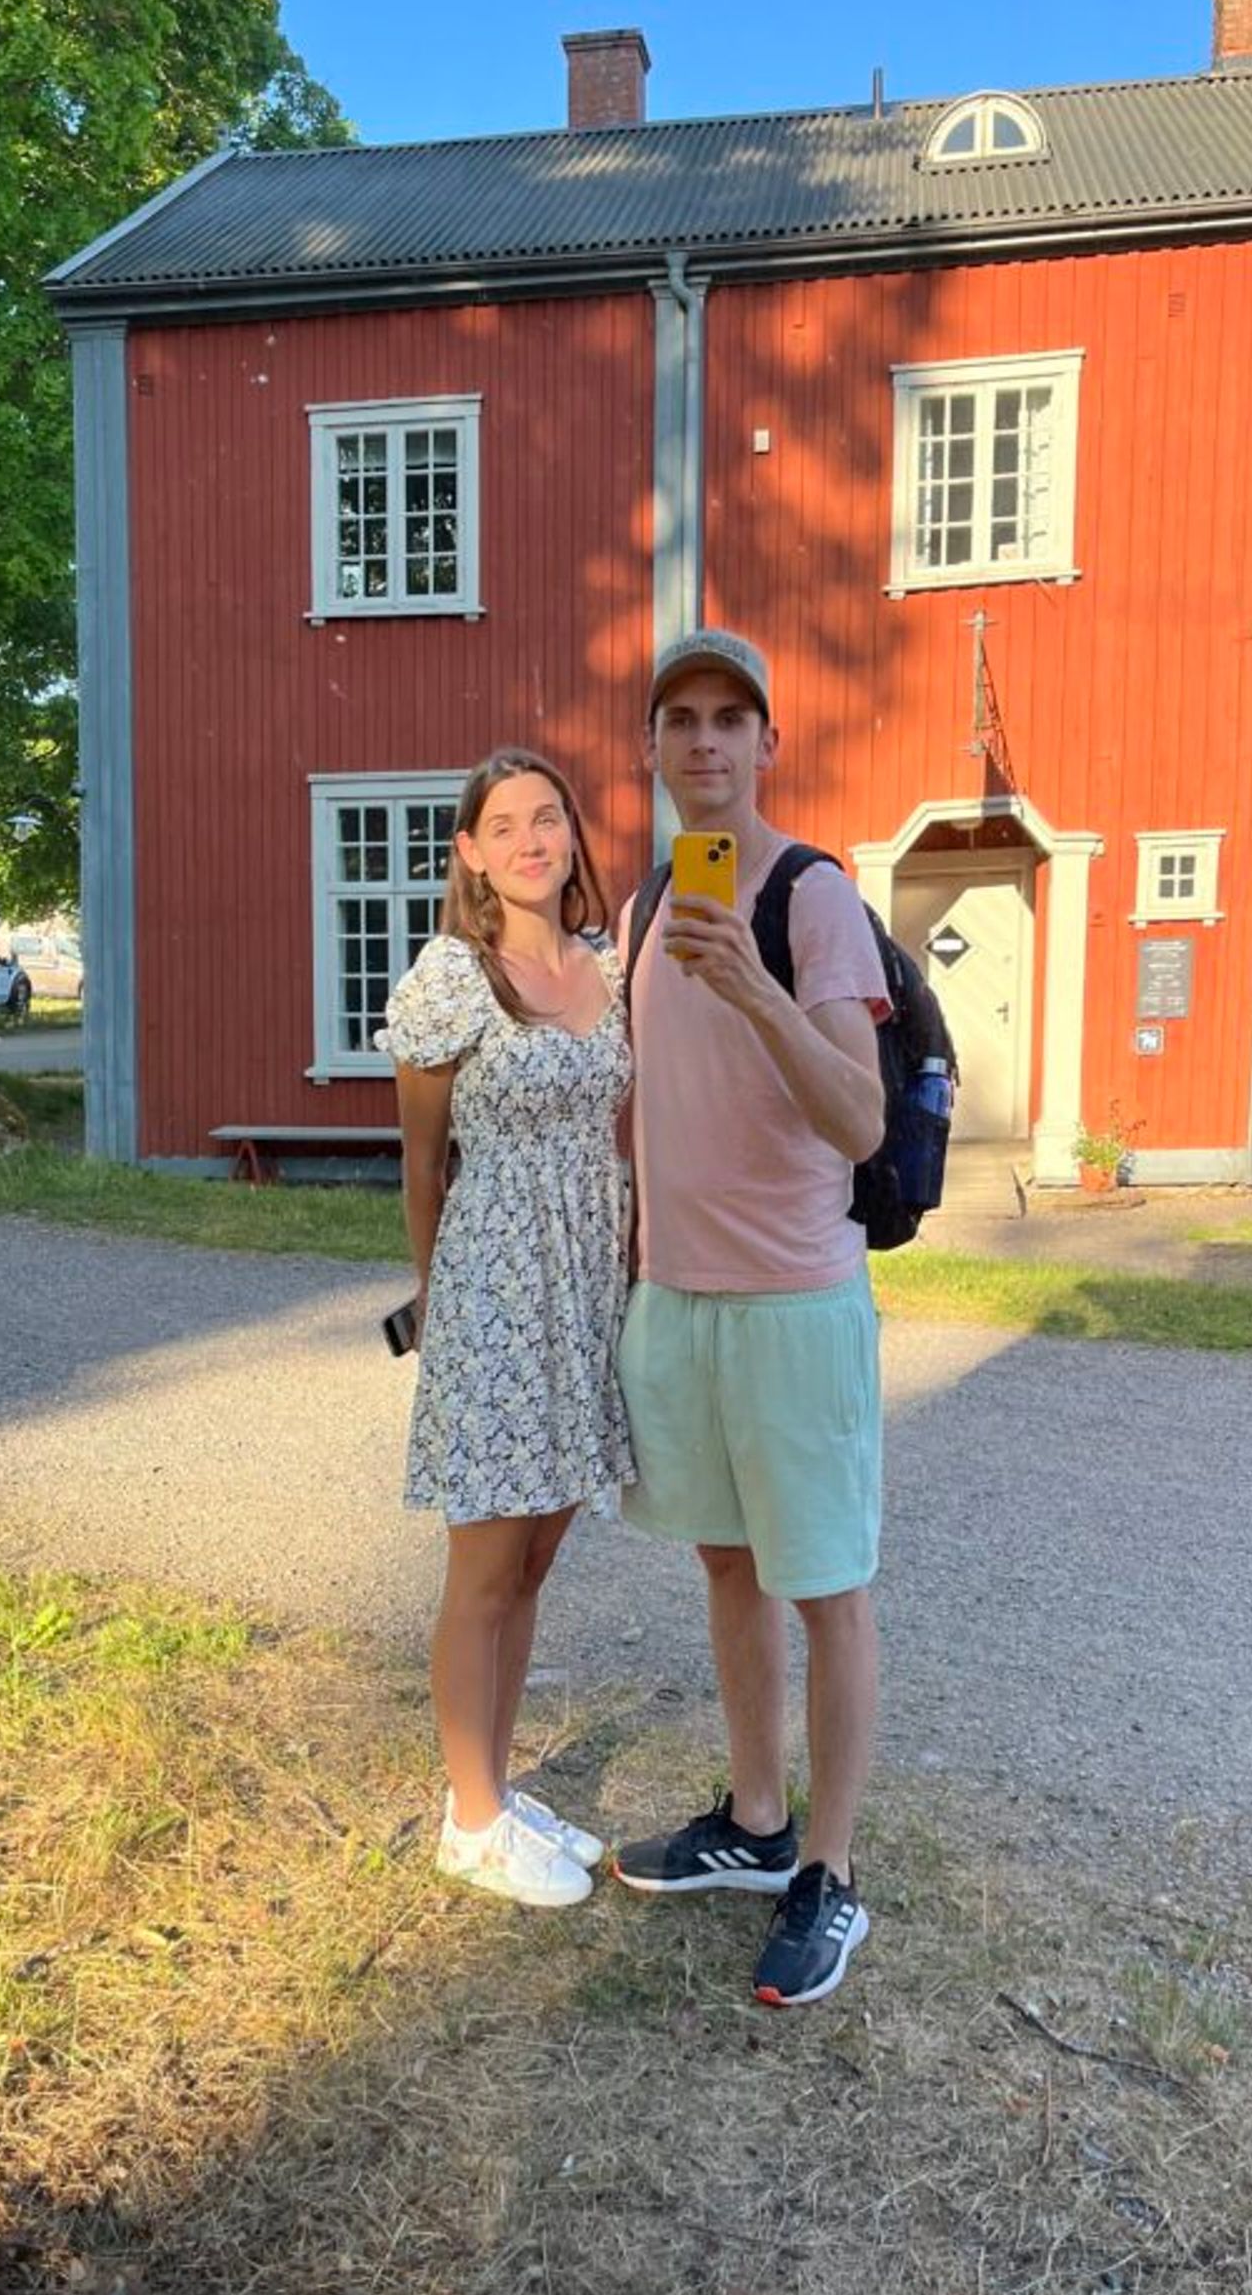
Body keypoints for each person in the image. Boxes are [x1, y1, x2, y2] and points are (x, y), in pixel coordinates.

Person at [612, 630, 890, 2006]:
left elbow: (858, 1113)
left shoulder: (812, 896)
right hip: (680, 1303)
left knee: (826, 1591)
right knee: (726, 1568)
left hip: (794, 1306)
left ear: (770, 746)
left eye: (732, 719)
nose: (706, 742)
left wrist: (760, 991)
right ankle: (757, 1818)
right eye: (681, 720)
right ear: (653, 751)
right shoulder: (645, 905)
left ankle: (829, 1875)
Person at [380, 747, 634, 1907]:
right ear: (471, 853)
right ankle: (467, 1818)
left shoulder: (607, 968)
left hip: (587, 1289)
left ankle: (493, 1783)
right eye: (506, 824)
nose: (534, 838)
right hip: (492, 1286)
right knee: (483, 1564)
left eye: (551, 817)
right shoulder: (451, 976)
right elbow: (423, 1161)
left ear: (573, 837)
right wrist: (437, 1299)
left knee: (538, 1556)